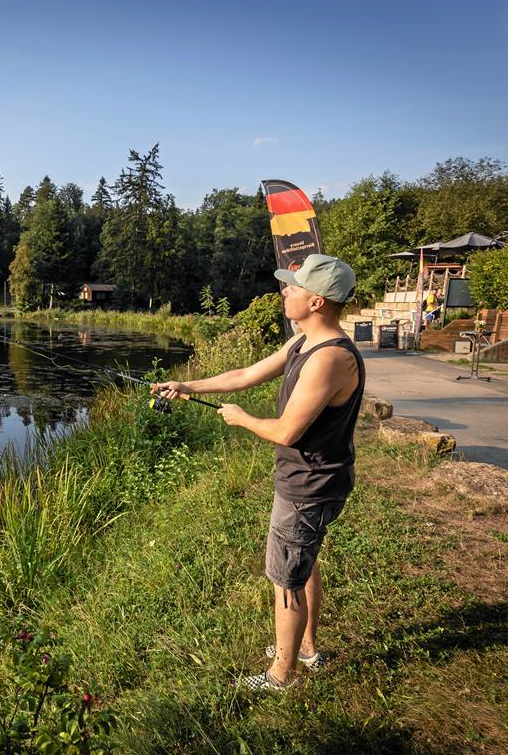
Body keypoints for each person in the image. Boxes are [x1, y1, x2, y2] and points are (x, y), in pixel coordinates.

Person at [151, 253, 365, 691]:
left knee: (286, 577)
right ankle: (305, 647)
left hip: (310, 484)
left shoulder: (331, 359)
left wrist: (242, 419)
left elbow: (287, 431)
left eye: (294, 286)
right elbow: (247, 373)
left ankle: (281, 675)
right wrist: (188, 386)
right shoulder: (303, 341)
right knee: (305, 564)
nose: (285, 291)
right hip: (309, 480)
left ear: (318, 301)